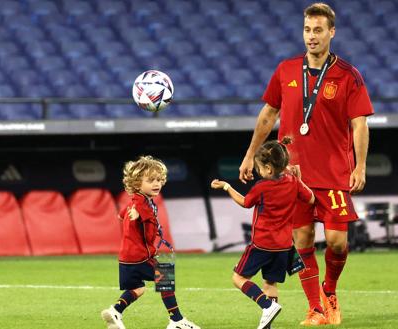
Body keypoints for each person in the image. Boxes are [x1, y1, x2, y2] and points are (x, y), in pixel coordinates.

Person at [239, 2, 374, 326]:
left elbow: (359, 124)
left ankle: (329, 291)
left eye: (317, 30)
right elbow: (268, 115)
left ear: (331, 33)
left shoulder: (347, 75)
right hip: (293, 175)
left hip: (333, 173)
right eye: (307, 30)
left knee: (338, 243)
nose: (311, 36)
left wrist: (360, 166)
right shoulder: (285, 70)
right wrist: (249, 154)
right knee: (301, 242)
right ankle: (315, 308)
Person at [212, 137, 315, 329]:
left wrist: (227, 187)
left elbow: (245, 202)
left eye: (259, 168)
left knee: (238, 278)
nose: (258, 171)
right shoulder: (293, 182)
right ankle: (267, 325)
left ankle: (266, 305)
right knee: (270, 284)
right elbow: (310, 199)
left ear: (269, 168)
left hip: (262, 243)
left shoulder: (262, 187)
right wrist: (299, 180)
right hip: (284, 246)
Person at [101, 155, 200, 329]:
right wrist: (141, 217)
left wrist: (133, 217)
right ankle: (176, 321)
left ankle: (115, 311)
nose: (157, 184)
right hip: (140, 255)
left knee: (138, 289)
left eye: (159, 180)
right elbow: (145, 225)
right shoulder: (142, 205)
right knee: (165, 278)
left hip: (126, 257)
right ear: (137, 183)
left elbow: (121, 214)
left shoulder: (135, 201)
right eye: (151, 180)